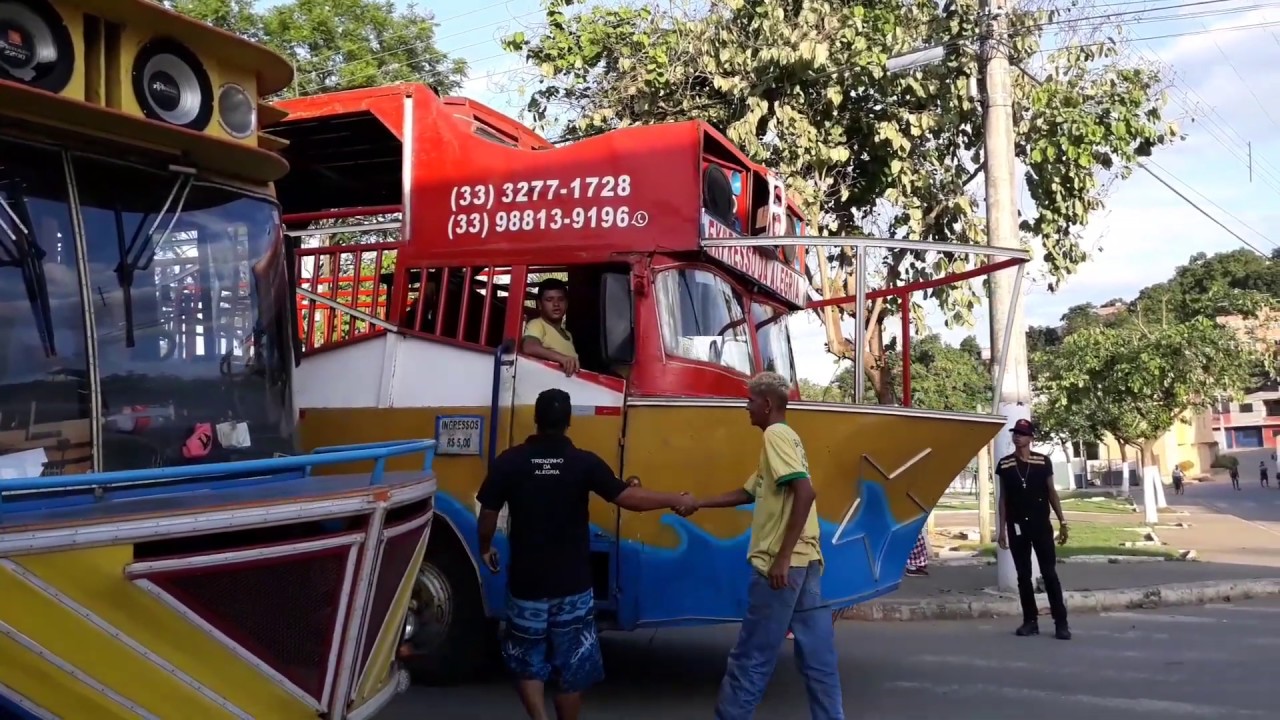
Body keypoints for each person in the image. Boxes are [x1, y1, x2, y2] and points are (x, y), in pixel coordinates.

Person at [476, 388, 695, 720]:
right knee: (572, 666)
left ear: (536, 420)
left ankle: (539, 717)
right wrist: (673, 498)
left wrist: (485, 547)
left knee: (526, 658)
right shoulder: (584, 463)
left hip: (526, 584)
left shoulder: (510, 461)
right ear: (568, 423)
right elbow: (627, 497)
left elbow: (488, 515)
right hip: (573, 586)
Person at [678, 371, 844, 720]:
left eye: (750, 401)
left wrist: (781, 558)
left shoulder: (775, 436)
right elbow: (749, 492)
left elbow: (805, 492)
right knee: (818, 660)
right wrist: (699, 503)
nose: (746, 407)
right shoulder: (788, 438)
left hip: (782, 567)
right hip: (808, 561)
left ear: (767, 404)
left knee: (750, 658)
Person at [996, 418, 1071, 641]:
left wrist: (1062, 521)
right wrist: (1001, 530)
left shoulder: (1042, 462)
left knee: (1049, 574)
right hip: (1017, 526)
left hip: (1041, 526)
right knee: (1023, 576)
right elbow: (1003, 499)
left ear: (1031, 438)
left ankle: (1061, 623)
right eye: (1015, 433)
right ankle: (1030, 621)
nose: (1017, 436)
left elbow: (1051, 493)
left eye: (1022, 433)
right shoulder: (1005, 465)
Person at [521, 278, 579, 376]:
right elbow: (529, 347)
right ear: (539, 304)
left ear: (567, 303)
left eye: (561, 299)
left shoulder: (568, 334)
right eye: (549, 300)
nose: (556, 304)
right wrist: (562, 358)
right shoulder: (537, 324)